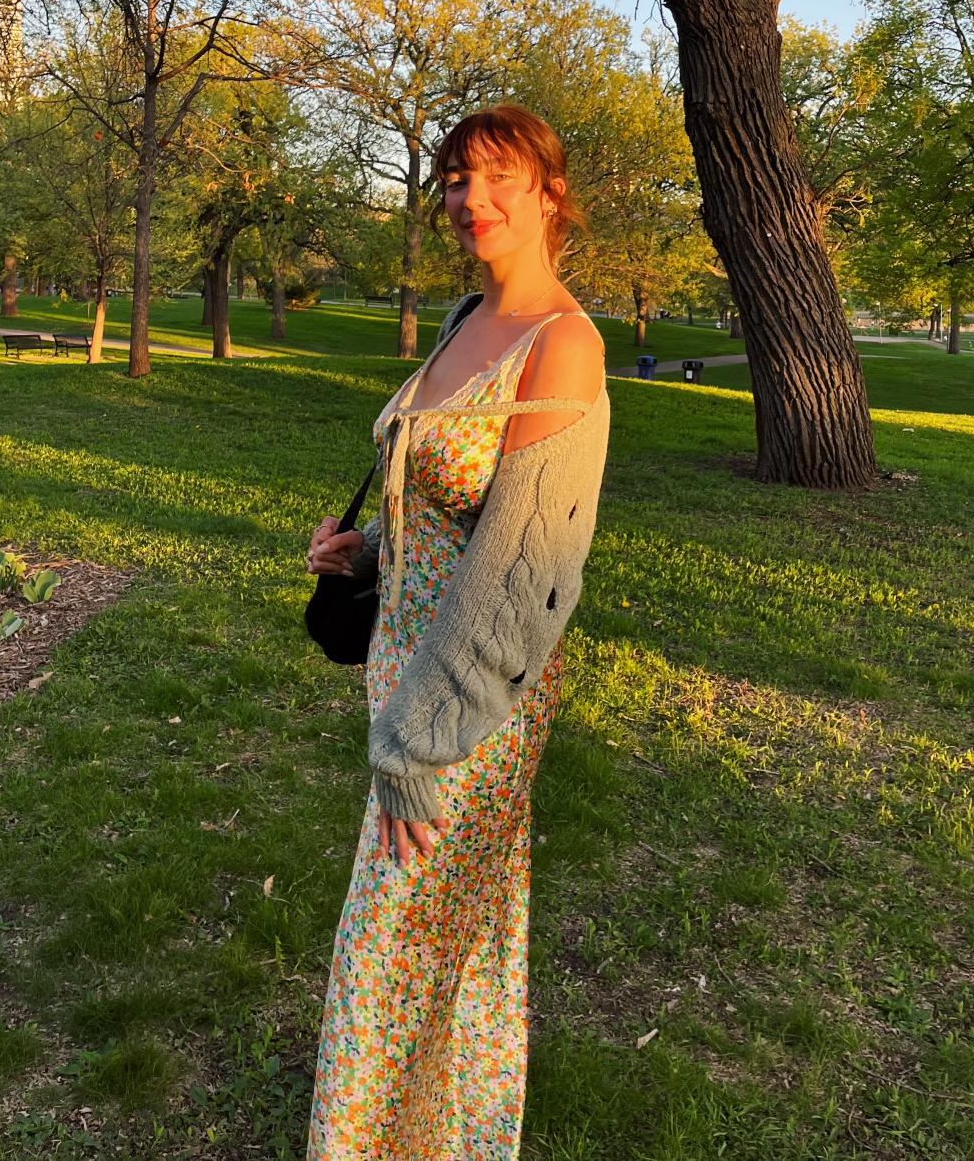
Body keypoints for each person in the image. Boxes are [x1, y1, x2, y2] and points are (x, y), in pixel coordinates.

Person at [304, 103, 611, 1161]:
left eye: (496, 177)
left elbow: (517, 575)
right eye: (453, 180)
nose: (468, 198)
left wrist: (416, 743)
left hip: (467, 703)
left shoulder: (562, 345)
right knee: (450, 939)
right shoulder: (462, 319)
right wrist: (366, 558)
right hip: (405, 673)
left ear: (549, 194)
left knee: (384, 946)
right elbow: (440, 513)